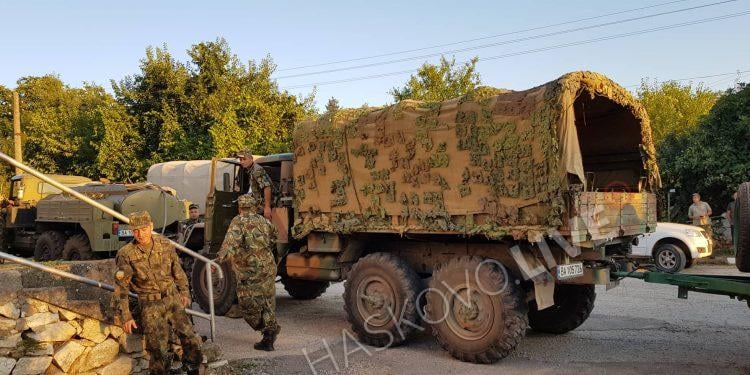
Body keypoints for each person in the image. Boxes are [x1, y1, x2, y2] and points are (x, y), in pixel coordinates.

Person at [112, 211, 204, 375]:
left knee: (189, 337)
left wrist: (184, 292)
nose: (140, 234)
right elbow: (121, 288)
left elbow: (178, 270)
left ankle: (193, 369)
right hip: (150, 305)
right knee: (158, 348)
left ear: (151, 226)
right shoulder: (126, 254)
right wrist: (125, 315)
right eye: (136, 230)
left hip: (173, 299)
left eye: (144, 229)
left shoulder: (165, 244)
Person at [215, 194, 280, 351]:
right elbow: (274, 237)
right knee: (268, 301)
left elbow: (230, 244)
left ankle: (266, 330)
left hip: (250, 271)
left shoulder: (238, 221)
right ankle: (269, 336)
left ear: (240, 207)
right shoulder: (264, 221)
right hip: (268, 267)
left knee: (247, 306)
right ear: (254, 206)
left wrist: (217, 261)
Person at [234, 150, 273, 220]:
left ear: (251, 159)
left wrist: (267, 207)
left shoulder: (256, 170)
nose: (242, 162)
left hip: (264, 205)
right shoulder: (250, 170)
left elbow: (267, 187)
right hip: (258, 204)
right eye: (240, 159)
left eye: (244, 159)